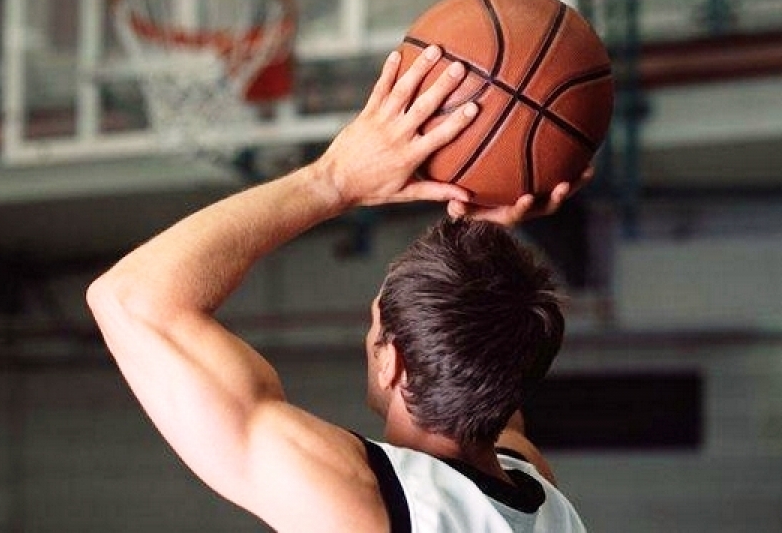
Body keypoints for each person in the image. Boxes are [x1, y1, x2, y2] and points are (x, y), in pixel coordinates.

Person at [87, 44, 590, 532]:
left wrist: (333, 180)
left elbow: (130, 298)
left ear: (394, 363)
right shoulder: (541, 501)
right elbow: (489, 368)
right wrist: (486, 236)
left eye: (374, 323)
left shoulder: (368, 503)